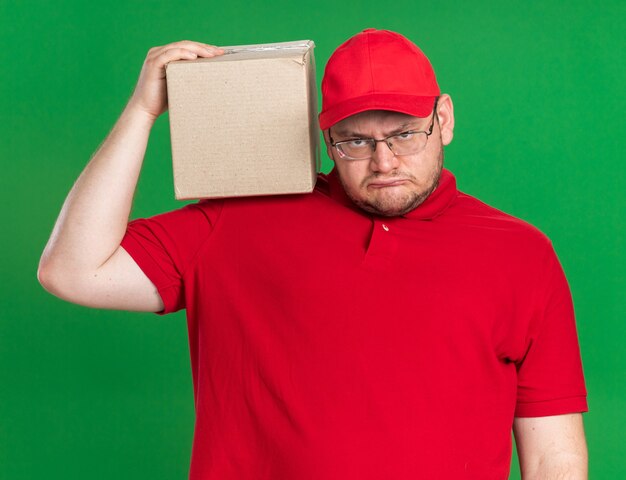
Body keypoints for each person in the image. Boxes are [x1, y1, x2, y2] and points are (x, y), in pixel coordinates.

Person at [38, 29, 589, 479]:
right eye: (355, 141)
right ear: (324, 136)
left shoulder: (521, 253)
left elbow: (552, 455)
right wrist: (142, 112)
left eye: (404, 135)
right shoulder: (241, 221)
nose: (383, 162)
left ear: (443, 118)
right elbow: (73, 270)